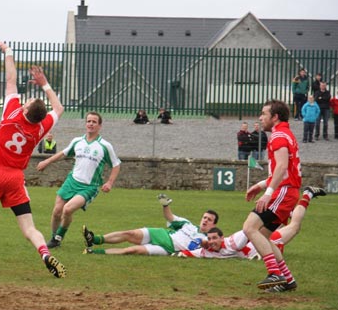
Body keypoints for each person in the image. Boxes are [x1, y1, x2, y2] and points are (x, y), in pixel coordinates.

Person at [0, 40, 66, 278]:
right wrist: (45, 84)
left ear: (26, 110)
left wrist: (8, 51)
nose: (24, 101)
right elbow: (58, 109)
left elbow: (10, 80)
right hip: (16, 178)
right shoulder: (40, 128)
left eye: (26, 102)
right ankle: (45, 254)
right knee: (29, 227)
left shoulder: (12, 112)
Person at [177, 186, 326, 269]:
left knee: (294, 227)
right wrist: (182, 253)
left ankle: (307, 194)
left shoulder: (232, 242)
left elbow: (249, 232)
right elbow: (189, 253)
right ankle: (287, 211)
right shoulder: (208, 252)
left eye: (214, 238)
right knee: (288, 223)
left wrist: (254, 255)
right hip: (263, 243)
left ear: (222, 238)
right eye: (209, 240)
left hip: (266, 241)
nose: (212, 242)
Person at [37, 111, 121, 248]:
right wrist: (47, 162)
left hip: (89, 187)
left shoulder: (105, 146)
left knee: (68, 210)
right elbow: (63, 153)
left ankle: (58, 237)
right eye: (88, 121)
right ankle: (54, 238)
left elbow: (116, 165)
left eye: (94, 122)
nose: (91, 124)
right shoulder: (77, 141)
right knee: (57, 211)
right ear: (85, 124)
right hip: (72, 181)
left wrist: (110, 182)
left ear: (100, 126)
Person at [243, 99, 301, 291]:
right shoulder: (285, 133)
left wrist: (267, 193)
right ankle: (288, 280)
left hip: (283, 192)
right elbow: (283, 170)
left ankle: (274, 273)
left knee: (250, 227)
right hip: (288, 191)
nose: (260, 117)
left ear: (275, 117)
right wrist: (260, 185)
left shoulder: (278, 136)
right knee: (263, 235)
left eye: (264, 114)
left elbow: (282, 167)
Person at [82, 194, 219, 255]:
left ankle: (93, 252)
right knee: (129, 234)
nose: (205, 220)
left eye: (209, 219)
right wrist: (165, 205)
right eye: (204, 217)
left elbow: (215, 247)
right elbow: (169, 217)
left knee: (131, 251)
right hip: (162, 234)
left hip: (168, 250)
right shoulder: (188, 224)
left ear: (214, 224)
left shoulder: (210, 239)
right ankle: (94, 239)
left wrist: (205, 242)